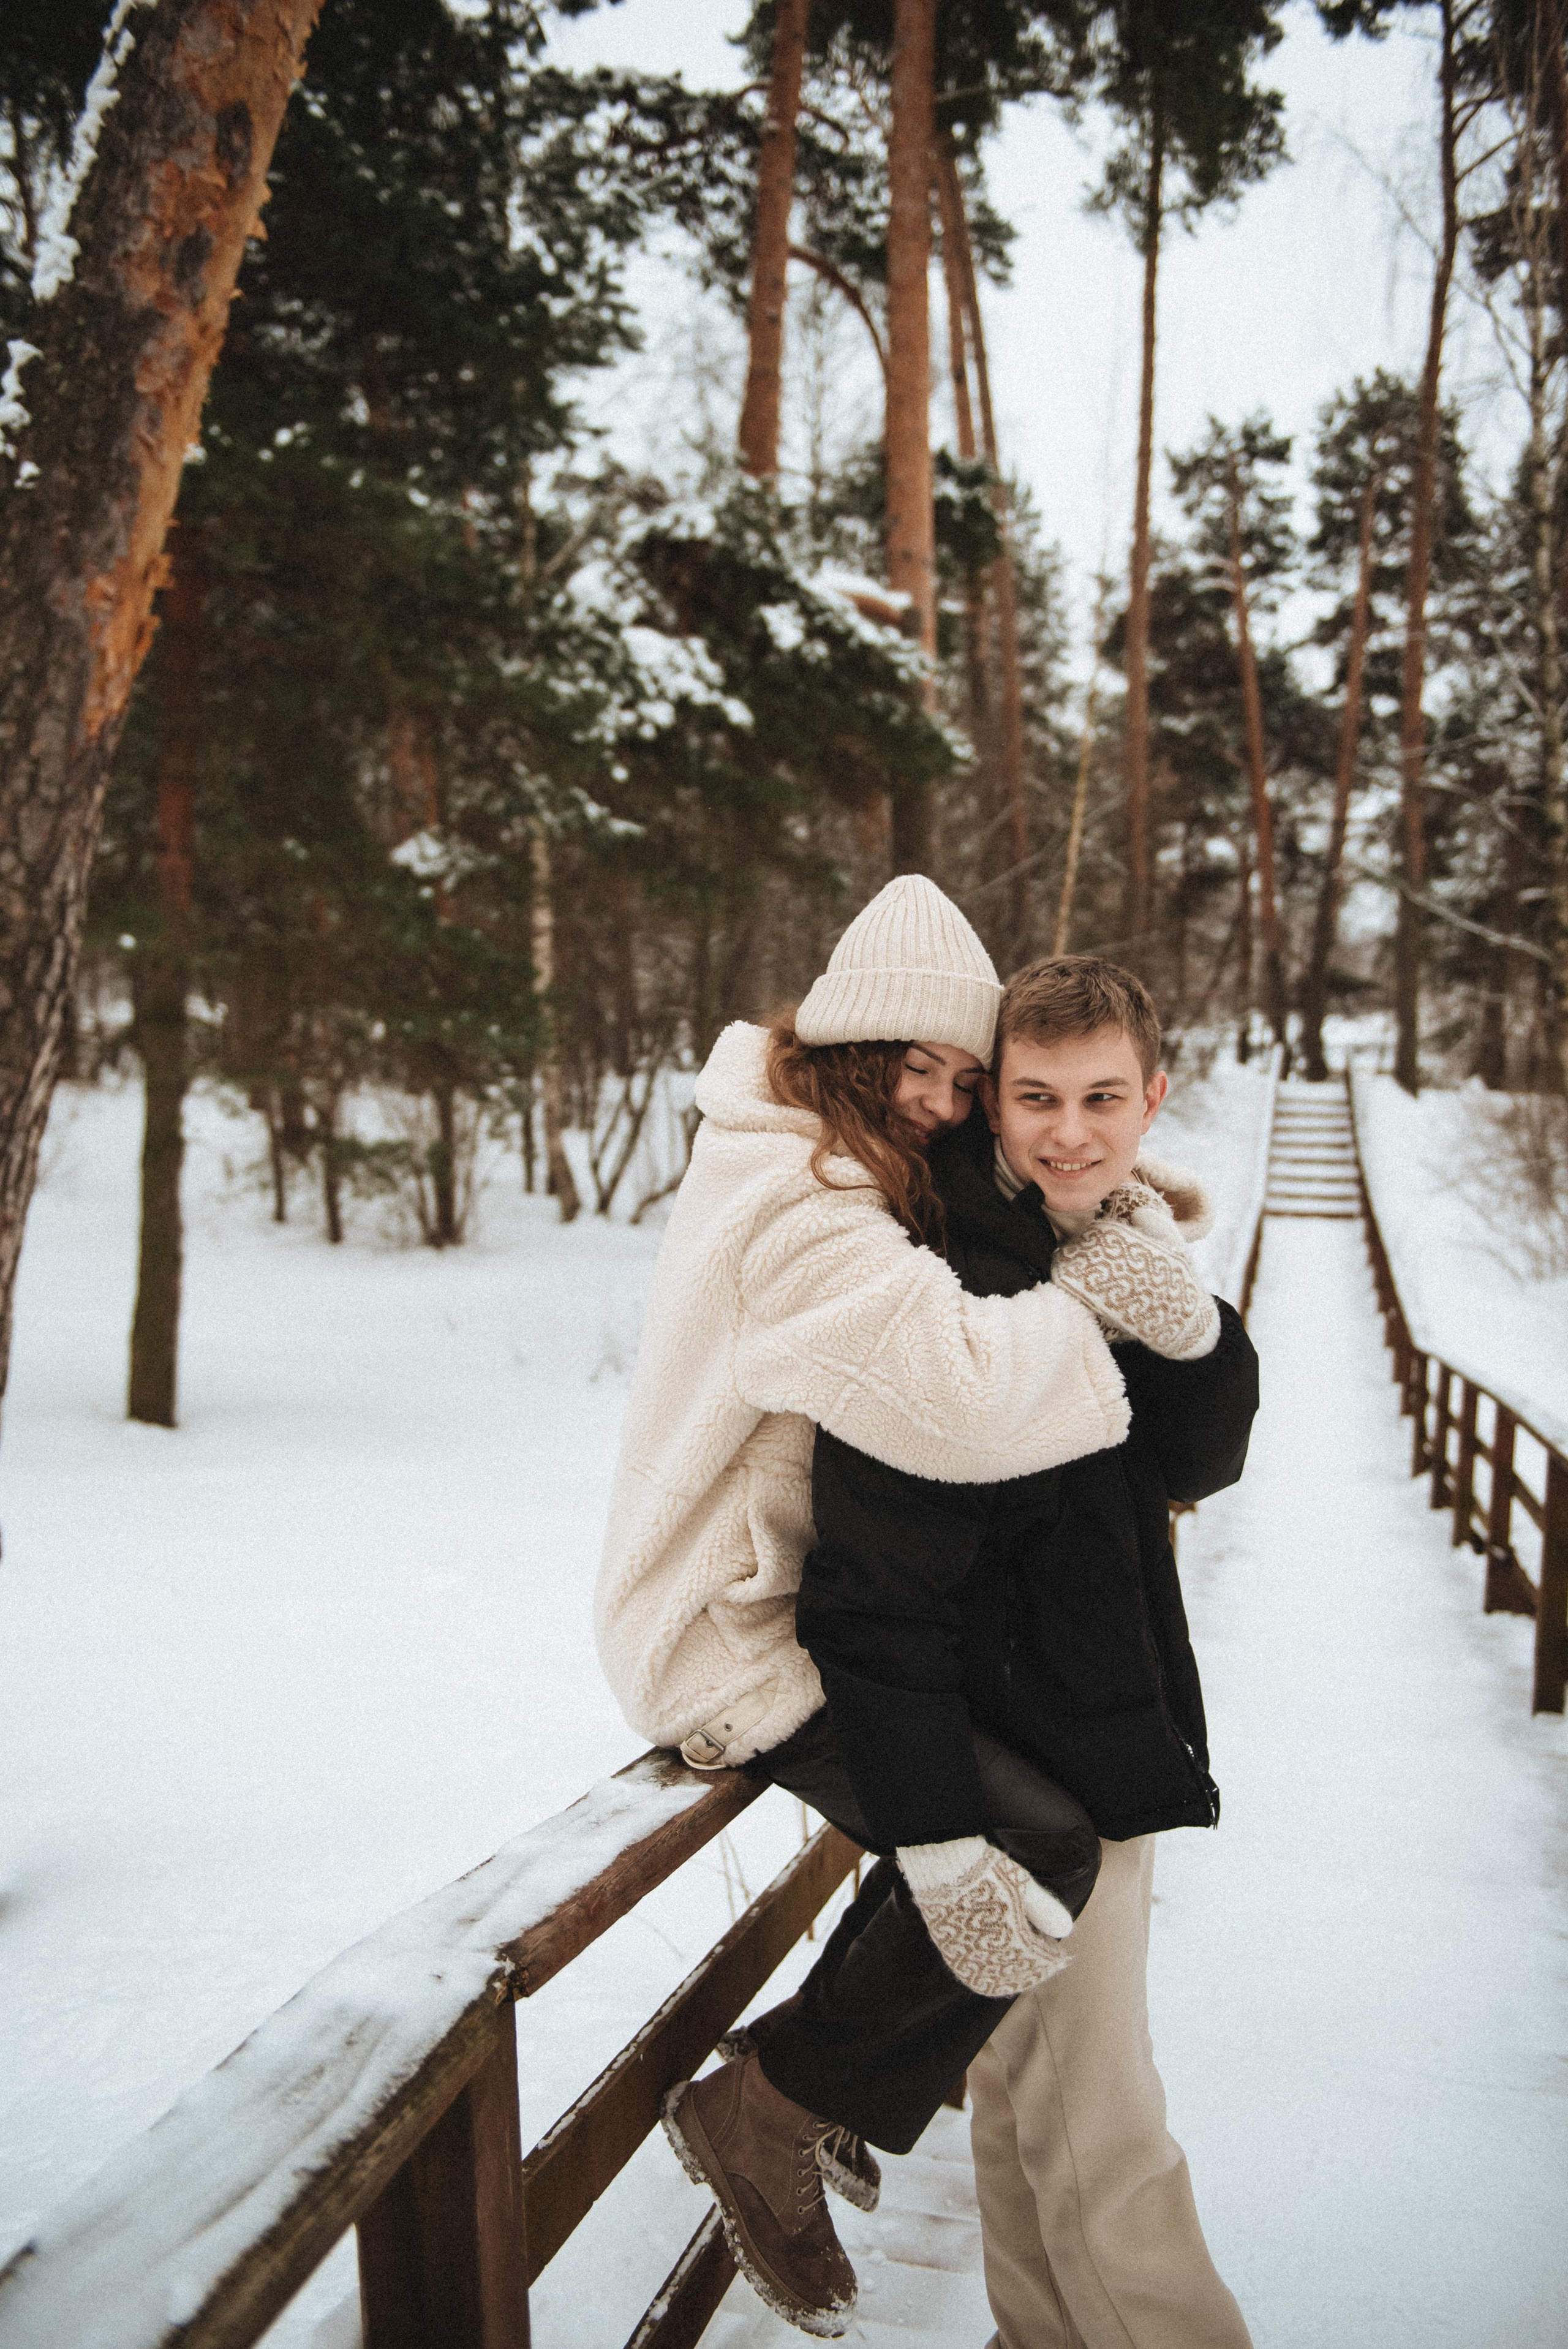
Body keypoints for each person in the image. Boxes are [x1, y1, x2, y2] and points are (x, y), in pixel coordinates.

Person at [595, 877, 1136, 2335]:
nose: (945, 1104)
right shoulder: (799, 1207)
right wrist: (1106, 1302)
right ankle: (766, 2107)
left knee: (982, 1828)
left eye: (967, 1080)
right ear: (851, 1051)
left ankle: (820, 2096)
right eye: (923, 1068)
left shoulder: (804, 1166)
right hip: (725, 1638)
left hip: (772, 1610)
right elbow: (957, 1397)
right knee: (1029, 1835)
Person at [785, 954, 1259, 2349]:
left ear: (1151, 1096)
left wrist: (1184, 1325)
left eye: (1102, 1096)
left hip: (1105, 1731)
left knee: (1036, 2110)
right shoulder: (949, 1276)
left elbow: (1196, 1459)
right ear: (992, 1103)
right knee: (1109, 2134)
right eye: (1037, 1097)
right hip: (1034, 1771)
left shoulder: (1110, 1233)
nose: (1069, 1128)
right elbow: (877, 1589)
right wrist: (941, 1830)